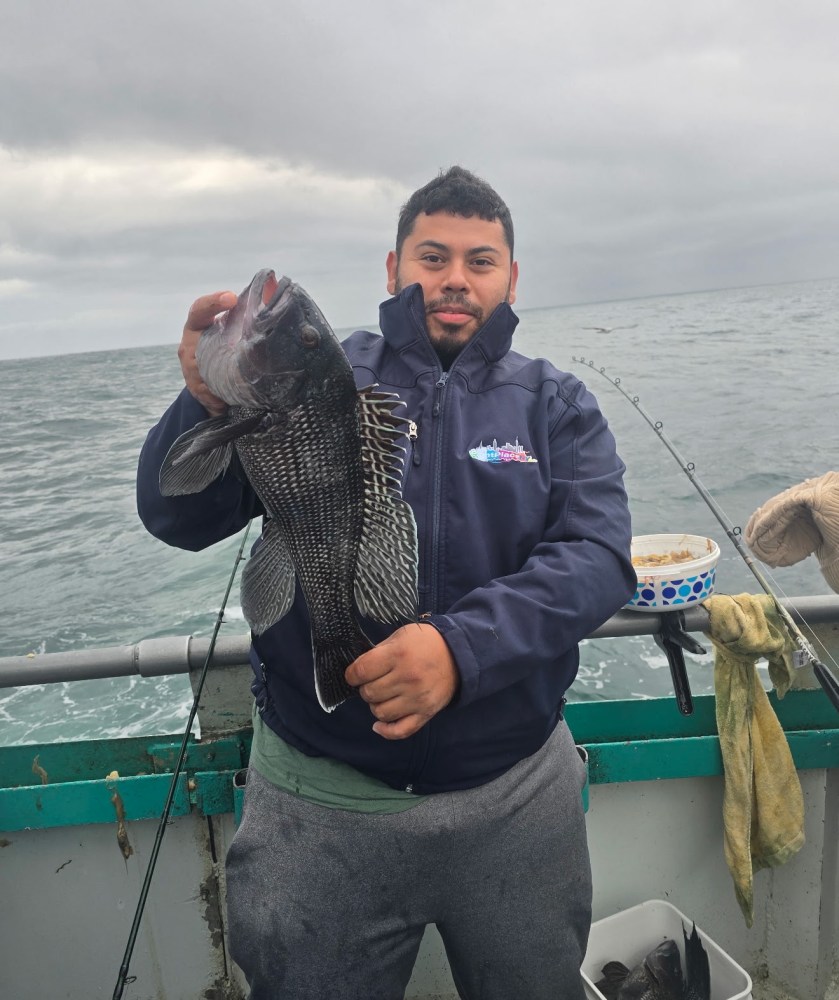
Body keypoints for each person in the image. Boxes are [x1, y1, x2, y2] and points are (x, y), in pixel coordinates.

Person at [136, 166, 635, 1000]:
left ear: (510, 279)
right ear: (393, 269)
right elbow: (177, 519)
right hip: (317, 798)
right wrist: (204, 407)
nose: (453, 278)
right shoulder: (320, 376)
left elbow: (597, 554)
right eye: (431, 256)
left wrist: (458, 649)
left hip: (516, 794)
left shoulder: (557, 403)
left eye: (480, 261)